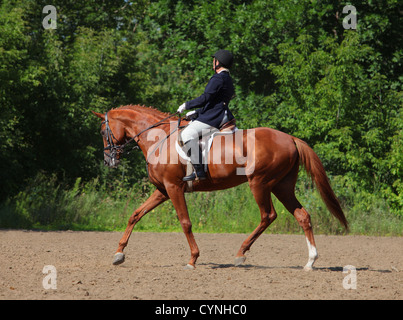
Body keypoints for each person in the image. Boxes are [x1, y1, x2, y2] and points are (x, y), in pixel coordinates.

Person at [177, 49, 235, 181]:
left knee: (186, 134)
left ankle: (199, 171)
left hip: (215, 117)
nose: (212, 62)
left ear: (218, 62)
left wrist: (187, 105)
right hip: (219, 113)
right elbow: (215, 102)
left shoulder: (218, 78)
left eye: (213, 60)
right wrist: (197, 113)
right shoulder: (228, 79)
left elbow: (205, 98)